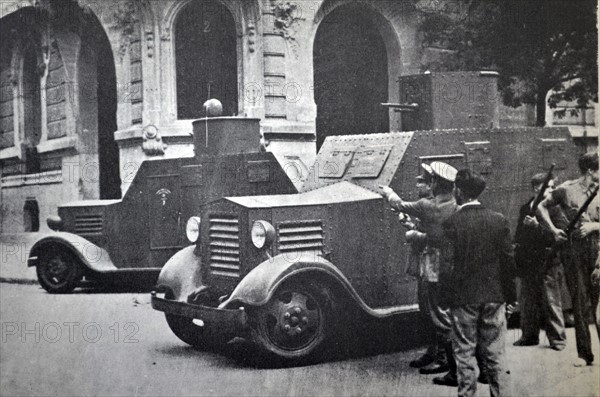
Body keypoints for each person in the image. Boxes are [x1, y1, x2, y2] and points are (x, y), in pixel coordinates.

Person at [380, 161, 458, 382]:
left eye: (429, 180)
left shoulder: (428, 205)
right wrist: (415, 228)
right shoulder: (453, 204)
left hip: (434, 265)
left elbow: (398, 204)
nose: (425, 183)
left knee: (437, 313)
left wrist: (389, 192)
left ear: (435, 183)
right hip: (442, 265)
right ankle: (435, 353)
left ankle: (444, 360)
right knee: (430, 310)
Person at [442, 169, 516, 397]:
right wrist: (510, 297)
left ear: (459, 192)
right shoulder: (498, 220)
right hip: (494, 296)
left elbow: (447, 265)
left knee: (464, 354)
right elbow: (508, 262)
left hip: (464, 299)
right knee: (496, 354)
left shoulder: (452, 223)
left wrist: (446, 299)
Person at [537, 152, 600, 367]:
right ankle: (585, 355)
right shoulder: (567, 189)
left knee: (598, 305)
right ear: (590, 170)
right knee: (580, 303)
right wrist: (554, 230)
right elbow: (541, 206)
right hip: (574, 252)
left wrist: (594, 226)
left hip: (598, 251)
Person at [513, 173, 566, 350]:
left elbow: (558, 236)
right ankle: (529, 336)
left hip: (548, 260)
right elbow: (519, 235)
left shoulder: (555, 209)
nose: (552, 190)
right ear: (537, 188)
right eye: (549, 187)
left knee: (551, 301)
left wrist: (538, 227)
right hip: (529, 262)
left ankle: (557, 338)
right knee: (528, 301)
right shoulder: (525, 208)